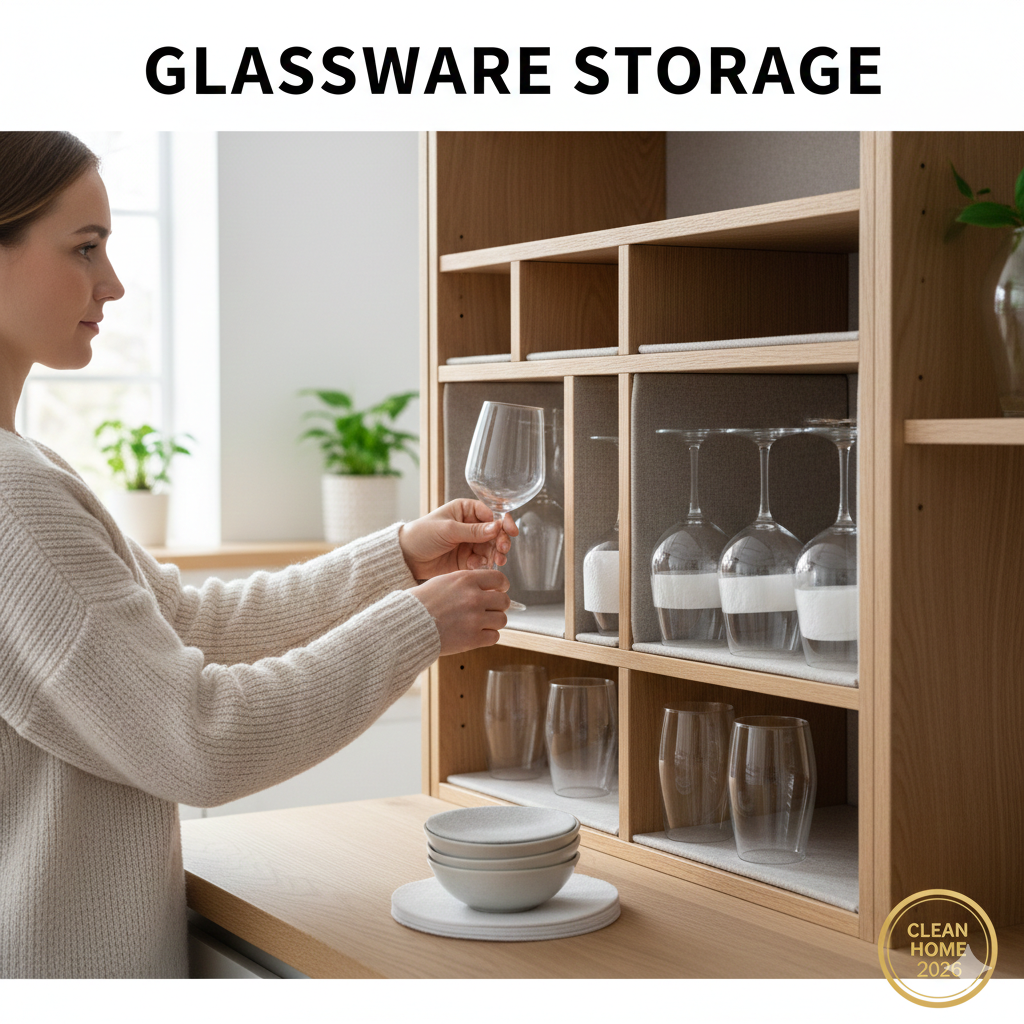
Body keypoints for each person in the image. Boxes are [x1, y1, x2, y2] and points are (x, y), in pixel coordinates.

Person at [0, 131, 513, 978]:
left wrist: (397, 559)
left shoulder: (30, 469)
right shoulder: (13, 497)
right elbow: (198, 738)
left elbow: (192, 622)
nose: (113, 282)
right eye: (84, 248)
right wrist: (416, 626)